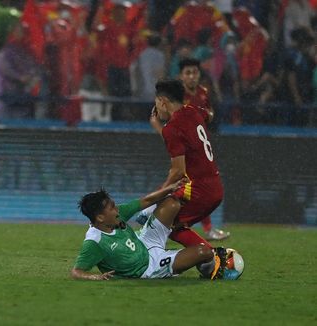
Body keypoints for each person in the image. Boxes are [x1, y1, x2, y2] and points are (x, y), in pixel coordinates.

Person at [138, 59, 229, 241]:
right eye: (188, 72)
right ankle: (209, 255)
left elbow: (177, 171)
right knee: (171, 220)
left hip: (198, 184)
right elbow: (206, 114)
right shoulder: (191, 110)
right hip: (211, 180)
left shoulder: (178, 119)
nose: (192, 76)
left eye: (194, 72)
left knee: (165, 220)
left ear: (163, 101)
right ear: (181, 76)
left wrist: (157, 125)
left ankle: (148, 215)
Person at [71, 183, 234, 280]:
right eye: (112, 207)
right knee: (204, 252)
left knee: (172, 203)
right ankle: (208, 271)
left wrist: (170, 188)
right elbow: (76, 271)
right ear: (100, 218)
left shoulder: (118, 214)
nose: (116, 209)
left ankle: (147, 219)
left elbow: (147, 200)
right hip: (149, 267)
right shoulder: (95, 242)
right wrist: (95, 277)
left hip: (144, 240)